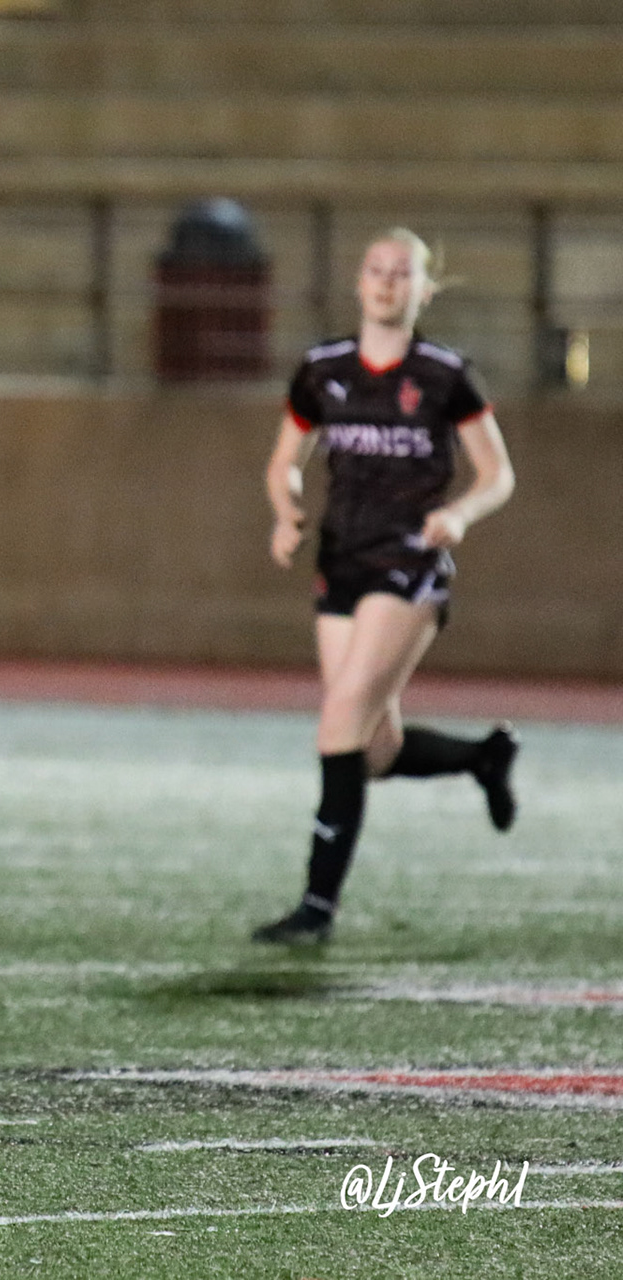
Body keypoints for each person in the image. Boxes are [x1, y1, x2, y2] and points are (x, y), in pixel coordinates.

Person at [253, 229, 518, 945]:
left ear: (424, 290)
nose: (386, 282)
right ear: (358, 281)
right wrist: (285, 512)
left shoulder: (444, 374)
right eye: (375, 269)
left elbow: (498, 474)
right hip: (341, 559)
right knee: (371, 750)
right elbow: (285, 461)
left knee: (338, 722)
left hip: (408, 564)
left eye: (402, 273)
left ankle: (315, 908)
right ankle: (482, 757)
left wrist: (458, 514)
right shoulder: (323, 369)